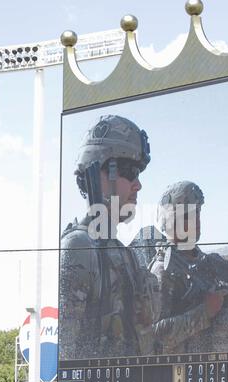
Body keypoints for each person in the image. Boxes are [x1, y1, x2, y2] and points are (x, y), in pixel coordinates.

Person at [59, 115, 159, 360]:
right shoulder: (80, 247)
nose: (138, 185)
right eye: (128, 171)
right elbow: (68, 353)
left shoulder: (126, 254)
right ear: (96, 172)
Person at [149, 181, 228, 354]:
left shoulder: (208, 261)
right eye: (187, 215)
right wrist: (205, 311)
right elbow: (155, 335)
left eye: (197, 212)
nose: (196, 220)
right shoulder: (163, 270)